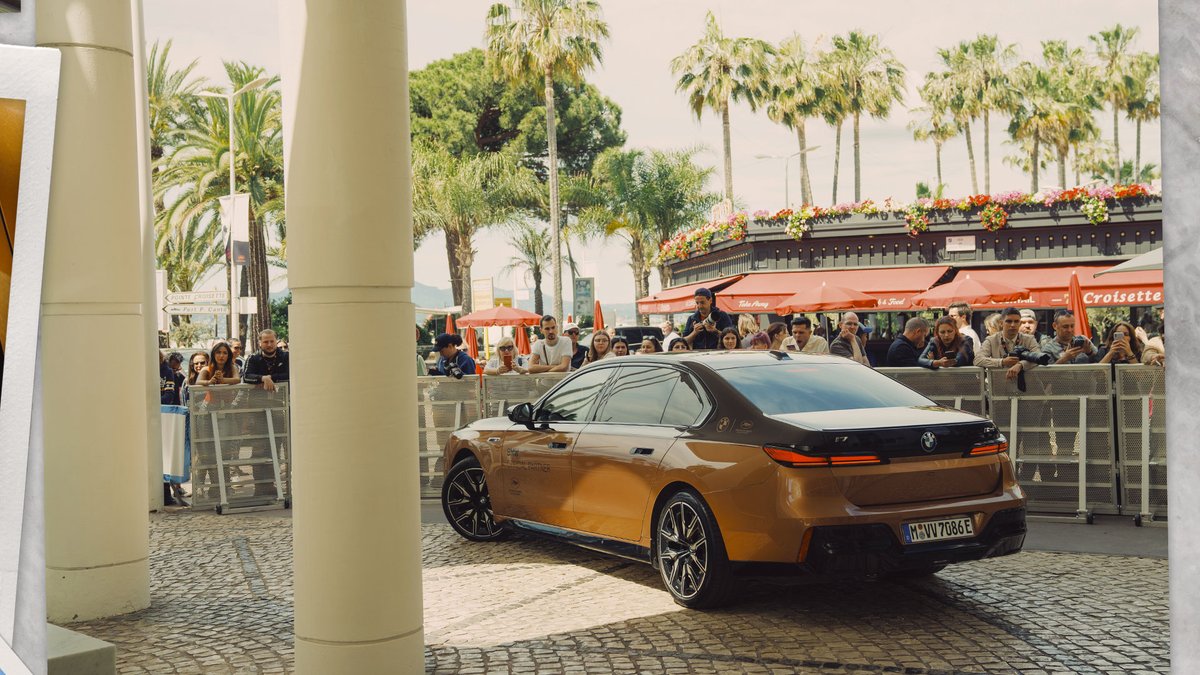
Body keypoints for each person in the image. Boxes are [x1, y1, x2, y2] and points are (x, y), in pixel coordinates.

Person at [974, 307, 1045, 381]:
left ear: (1019, 323)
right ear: (1001, 323)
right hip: (1001, 387)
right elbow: (978, 360)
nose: (1013, 325)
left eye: (1016, 321)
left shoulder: (1029, 339)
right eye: (1009, 321)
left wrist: (1020, 365)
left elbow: (1039, 357)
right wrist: (1002, 362)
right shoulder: (991, 340)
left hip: (1027, 387)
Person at [159, 351, 187, 506]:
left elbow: (169, 396)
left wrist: (150, 403)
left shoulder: (167, 371)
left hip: (166, 416)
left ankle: (166, 493)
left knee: (165, 457)